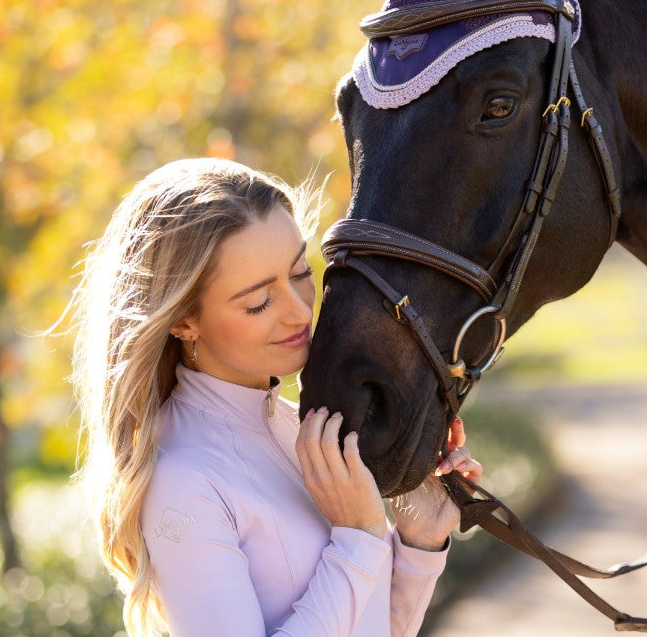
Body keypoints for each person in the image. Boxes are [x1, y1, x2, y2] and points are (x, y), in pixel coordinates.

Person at [71, 157, 482, 637]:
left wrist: (418, 541)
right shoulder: (182, 482)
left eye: (300, 272)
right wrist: (358, 539)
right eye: (258, 302)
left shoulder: (302, 429)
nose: (298, 311)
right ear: (183, 321)